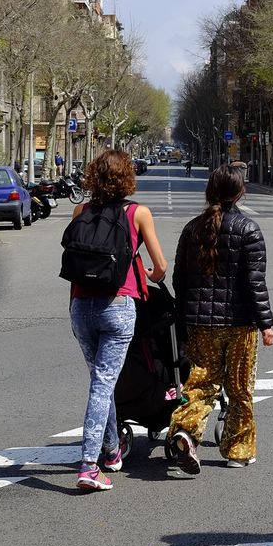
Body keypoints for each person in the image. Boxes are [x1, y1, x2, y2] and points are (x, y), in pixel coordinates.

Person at [68, 149, 167, 492]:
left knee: (101, 380)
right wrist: (148, 274)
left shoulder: (80, 210)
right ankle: (88, 466)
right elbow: (160, 267)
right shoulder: (138, 213)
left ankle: (111, 451)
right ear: (127, 178)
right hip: (118, 305)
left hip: (80, 307)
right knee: (102, 384)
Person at [166, 165, 273, 474]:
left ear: (209, 191)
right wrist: (266, 324)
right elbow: (255, 284)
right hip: (240, 324)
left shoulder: (192, 228)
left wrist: (186, 314)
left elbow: (180, 279)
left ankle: (185, 433)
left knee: (200, 384)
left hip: (199, 324)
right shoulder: (248, 229)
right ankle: (238, 451)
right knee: (240, 389)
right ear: (240, 192)